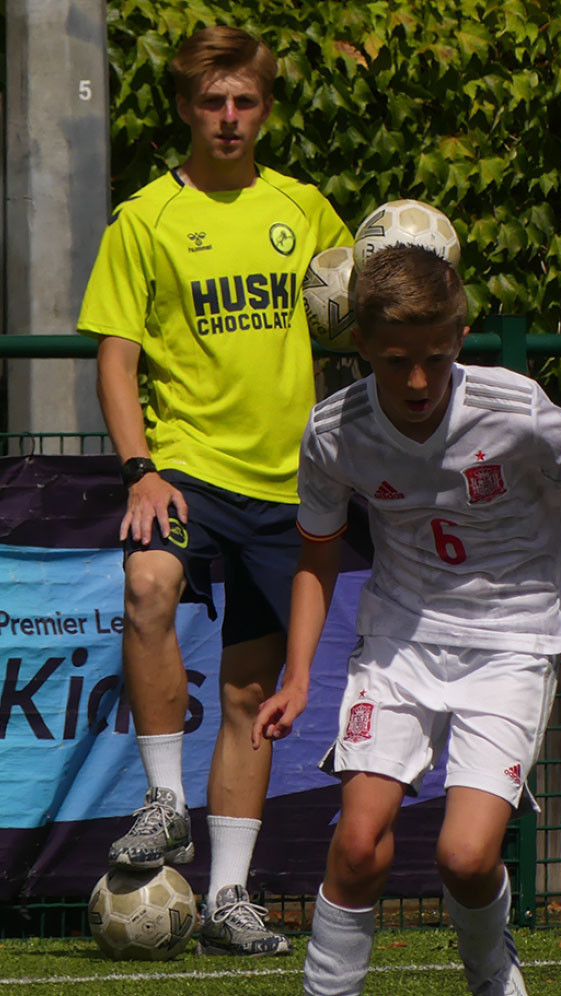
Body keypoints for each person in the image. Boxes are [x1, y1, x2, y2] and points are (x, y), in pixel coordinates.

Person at [252, 245, 561, 995]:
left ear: (460, 336)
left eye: (434, 359)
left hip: (512, 645)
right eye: (395, 359)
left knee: (464, 859)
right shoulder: (334, 431)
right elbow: (316, 558)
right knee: (357, 846)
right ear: (361, 345)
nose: (415, 380)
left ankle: (489, 970)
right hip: (399, 643)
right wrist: (299, 676)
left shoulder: (515, 408)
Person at [77, 25, 352, 956]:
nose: (228, 118)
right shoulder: (144, 217)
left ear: (264, 110)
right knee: (147, 586)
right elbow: (116, 356)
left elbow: (359, 307)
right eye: (211, 102)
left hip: (292, 483)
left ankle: (230, 899)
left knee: (249, 695)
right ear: (186, 110)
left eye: (244, 102)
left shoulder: (305, 209)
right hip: (186, 466)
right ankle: (164, 800)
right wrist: (138, 467)